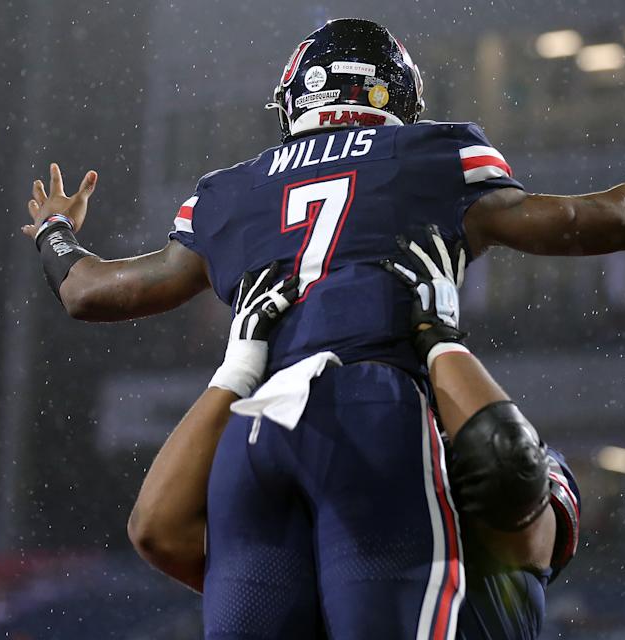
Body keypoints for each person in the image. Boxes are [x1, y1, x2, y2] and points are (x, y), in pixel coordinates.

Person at [22, 17, 625, 637]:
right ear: (399, 97)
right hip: (374, 412)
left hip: (254, 429)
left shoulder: (231, 192)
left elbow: (90, 292)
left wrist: (55, 232)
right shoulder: (432, 153)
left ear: (293, 102)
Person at [128, 230, 580, 639]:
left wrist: (442, 342)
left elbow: (509, 474)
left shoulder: (511, 463)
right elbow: (155, 529)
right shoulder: (321, 482)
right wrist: (235, 374)